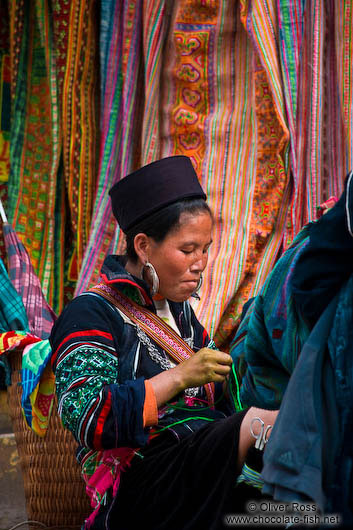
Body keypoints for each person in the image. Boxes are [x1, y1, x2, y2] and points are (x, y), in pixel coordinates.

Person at [49, 155, 278, 530]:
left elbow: (224, 407)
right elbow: (87, 415)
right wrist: (179, 376)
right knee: (258, 427)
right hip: (141, 483)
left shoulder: (182, 317)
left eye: (205, 249)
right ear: (143, 246)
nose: (200, 262)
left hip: (202, 469)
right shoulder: (92, 313)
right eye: (188, 250)